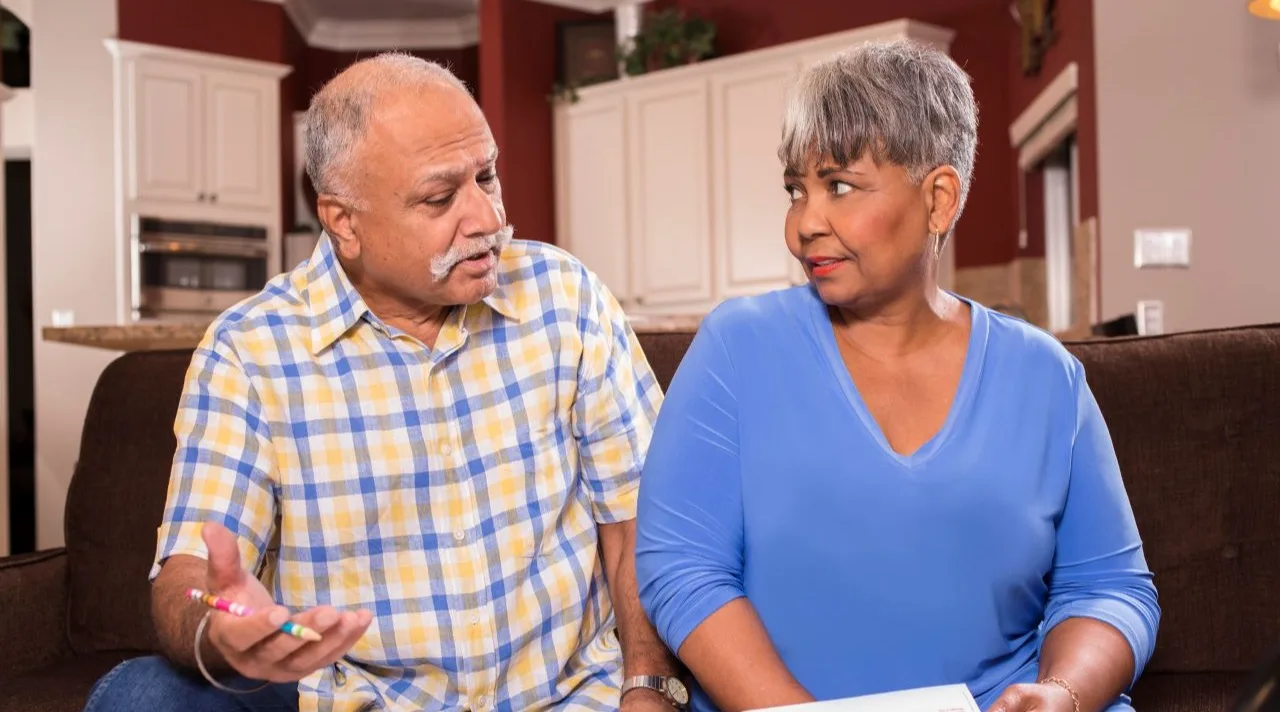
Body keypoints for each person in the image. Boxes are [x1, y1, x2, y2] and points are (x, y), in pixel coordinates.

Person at [83, 53, 683, 712]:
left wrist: (646, 687)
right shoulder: (248, 354)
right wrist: (220, 623)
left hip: (574, 699)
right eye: (440, 197)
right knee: (143, 696)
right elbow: (187, 579)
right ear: (344, 223)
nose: (485, 217)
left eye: (487, 174)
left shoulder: (567, 297)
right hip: (355, 703)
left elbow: (639, 525)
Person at [634, 39, 1160, 712]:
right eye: (797, 190)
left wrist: (1062, 693)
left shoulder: (1048, 378)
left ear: (939, 199)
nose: (804, 224)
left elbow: (1110, 588)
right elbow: (683, 568)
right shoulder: (737, 348)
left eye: (839, 186)